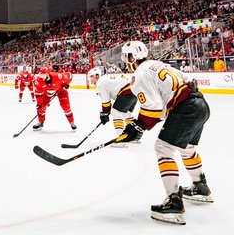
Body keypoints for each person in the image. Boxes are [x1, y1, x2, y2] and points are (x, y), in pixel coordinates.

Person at [117, 41, 212, 225]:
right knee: (187, 149)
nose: (125, 61)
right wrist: (138, 126)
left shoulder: (139, 75)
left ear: (131, 57)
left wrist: (136, 127)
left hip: (184, 107)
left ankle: (174, 203)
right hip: (200, 104)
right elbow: (161, 108)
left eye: (126, 57)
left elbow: (153, 108)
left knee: (163, 148)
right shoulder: (158, 65)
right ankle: (201, 188)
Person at [87, 67, 139, 147]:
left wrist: (105, 113)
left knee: (115, 112)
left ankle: (121, 139)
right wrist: (105, 113)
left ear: (97, 76)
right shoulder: (105, 79)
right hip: (135, 91)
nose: (90, 80)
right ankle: (134, 136)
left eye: (91, 77)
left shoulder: (100, 83)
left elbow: (106, 102)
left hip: (127, 91)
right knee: (126, 113)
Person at [32, 66, 76, 131]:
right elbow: (38, 94)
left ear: (48, 73)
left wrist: (66, 84)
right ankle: (40, 122)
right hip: (47, 93)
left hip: (60, 91)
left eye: (43, 74)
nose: (41, 76)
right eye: (40, 74)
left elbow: (70, 75)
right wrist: (39, 104)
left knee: (65, 106)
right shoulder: (38, 81)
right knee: (41, 107)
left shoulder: (58, 76)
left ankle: (71, 122)